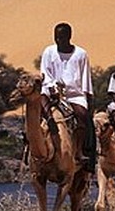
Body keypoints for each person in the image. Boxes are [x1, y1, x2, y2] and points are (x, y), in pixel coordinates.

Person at [39, 22, 95, 170]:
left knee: (82, 116)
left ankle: (79, 150)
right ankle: (32, 147)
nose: (58, 40)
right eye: (56, 37)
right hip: (51, 91)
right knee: (38, 106)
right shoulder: (49, 52)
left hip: (74, 94)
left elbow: (85, 78)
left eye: (62, 37)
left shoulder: (81, 54)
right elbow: (45, 74)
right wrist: (52, 90)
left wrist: (89, 100)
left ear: (69, 37)